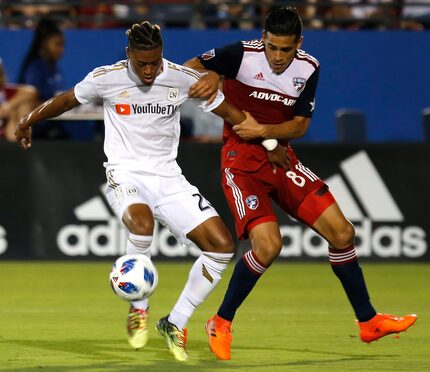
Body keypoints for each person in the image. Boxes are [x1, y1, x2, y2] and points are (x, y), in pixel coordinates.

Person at [15, 21, 281, 362]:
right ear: (128, 55)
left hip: (169, 178)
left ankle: (175, 321)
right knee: (142, 225)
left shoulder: (181, 79)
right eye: (142, 63)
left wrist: (268, 139)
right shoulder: (106, 78)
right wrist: (27, 122)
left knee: (221, 248)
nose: (150, 70)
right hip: (125, 173)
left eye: (155, 61)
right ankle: (138, 307)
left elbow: (230, 113)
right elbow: (66, 100)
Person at [185, 6, 417, 361]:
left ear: (299, 44)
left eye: (286, 49)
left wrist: (266, 133)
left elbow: (299, 125)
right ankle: (221, 321)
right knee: (268, 246)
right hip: (241, 163)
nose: (278, 57)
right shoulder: (240, 54)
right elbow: (189, 68)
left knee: (342, 233)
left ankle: (368, 321)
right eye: (272, 47)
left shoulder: (309, 67)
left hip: (281, 156)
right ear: (263, 39)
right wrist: (213, 75)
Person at [17, 17, 67, 139]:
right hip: (37, 130)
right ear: (44, 43)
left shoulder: (53, 67)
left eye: (63, 45)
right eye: (57, 44)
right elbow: (30, 100)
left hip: (52, 124)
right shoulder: (35, 67)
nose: (61, 50)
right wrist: (57, 105)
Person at [0, 57, 37, 142]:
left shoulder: (6, 90)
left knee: (23, 105)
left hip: (8, 137)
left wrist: (7, 106)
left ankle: (22, 140)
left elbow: (32, 91)